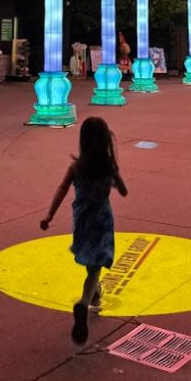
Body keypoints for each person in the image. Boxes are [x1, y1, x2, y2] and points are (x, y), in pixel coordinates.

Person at [40, 117, 128, 345]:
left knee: (91, 264)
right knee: (95, 269)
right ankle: (84, 301)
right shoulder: (108, 165)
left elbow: (61, 189)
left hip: (82, 219)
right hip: (102, 219)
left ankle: (95, 295)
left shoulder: (76, 167)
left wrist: (49, 215)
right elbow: (124, 191)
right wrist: (115, 179)